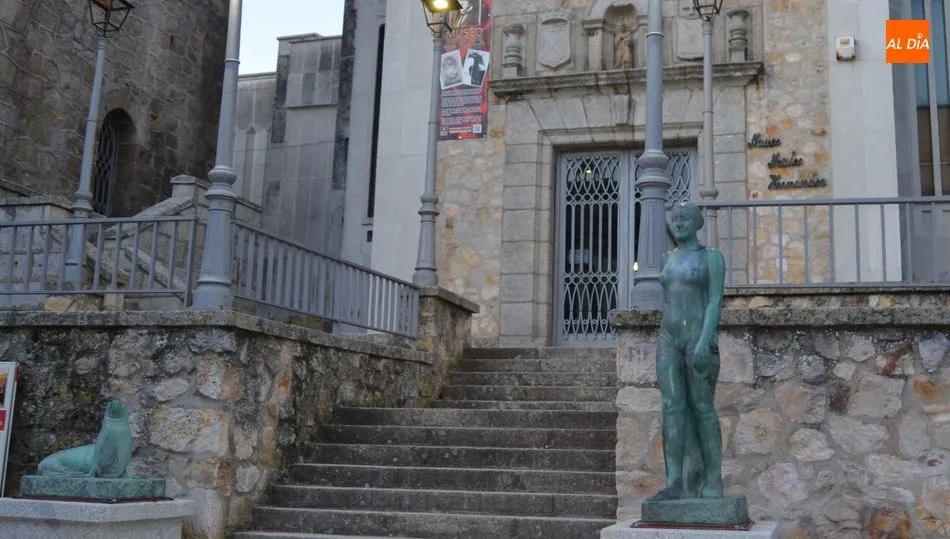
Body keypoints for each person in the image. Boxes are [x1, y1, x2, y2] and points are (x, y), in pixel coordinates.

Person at [647, 202, 726, 501]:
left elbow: (714, 301)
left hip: (698, 338)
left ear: (697, 223)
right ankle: (674, 482)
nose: (678, 223)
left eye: (685, 218)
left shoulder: (711, 258)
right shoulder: (668, 259)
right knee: (671, 409)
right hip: (668, 338)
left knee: (703, 408)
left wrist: (706, 340)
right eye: (675, 218)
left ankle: (714, 479)